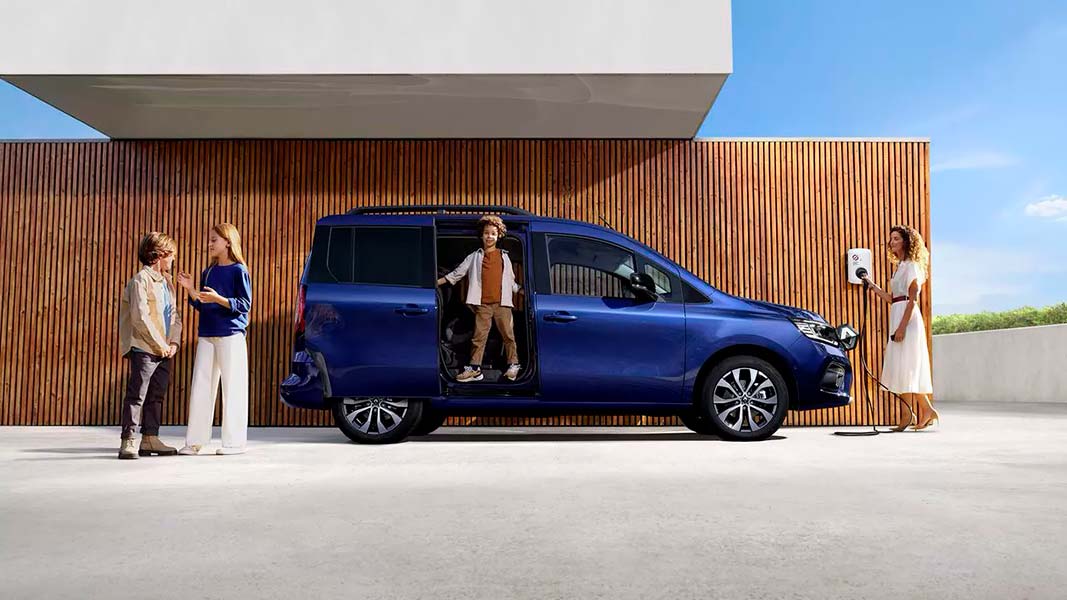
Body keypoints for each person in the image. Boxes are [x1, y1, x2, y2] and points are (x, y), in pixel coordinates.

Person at [175, 223, 252, 455]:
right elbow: (203, 303)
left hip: (231, 335)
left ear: (228, 242)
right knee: (201, 387)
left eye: (214, 240)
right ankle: (194, 442)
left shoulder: (239, 270)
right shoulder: (208, 272)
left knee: (233, 389)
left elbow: (245, 305)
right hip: (207, 334)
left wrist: (219, 299)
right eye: (209, 240)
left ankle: (234, 443)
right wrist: (190, 289)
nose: (209, 244)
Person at [861, 225, 939, 431]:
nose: (891, 242)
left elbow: (912, 300)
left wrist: (902, 327)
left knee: (907, 366)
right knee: (903, 366)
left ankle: (909, 415)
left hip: (908, 320)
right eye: (891, 238)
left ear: (906, 241)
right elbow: (892, 299)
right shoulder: (900, 266)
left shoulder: (912, 266)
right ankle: (923, 411)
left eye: (896, 238)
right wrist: (873, 286)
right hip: (898, 315)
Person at [117, 232, 183, 459]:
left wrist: (173, 342)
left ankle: (150, 438)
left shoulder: (167, 283)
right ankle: (128, 440)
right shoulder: (140, 280)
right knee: (137, 395)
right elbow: (140, 317)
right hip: (144, 348)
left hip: (164, 350)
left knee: (156, 395)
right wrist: (159, 343)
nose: (173, 259)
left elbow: (175, 316)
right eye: (171, 255)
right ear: (160, 255)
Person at [437, 215, 522, 382]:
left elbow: (511, 282)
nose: (489, 236)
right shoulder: (474, 256)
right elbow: (457, 274)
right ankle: (475, 369)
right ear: (482, 235)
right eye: (486, 233)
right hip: (482, 305)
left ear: (499, 236)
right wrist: (437, 282)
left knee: (508, 335)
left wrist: (522, 291)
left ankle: (513, 365)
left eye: (493, 234)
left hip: (502, 304)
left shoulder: (504, 257)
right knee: (478, 337)